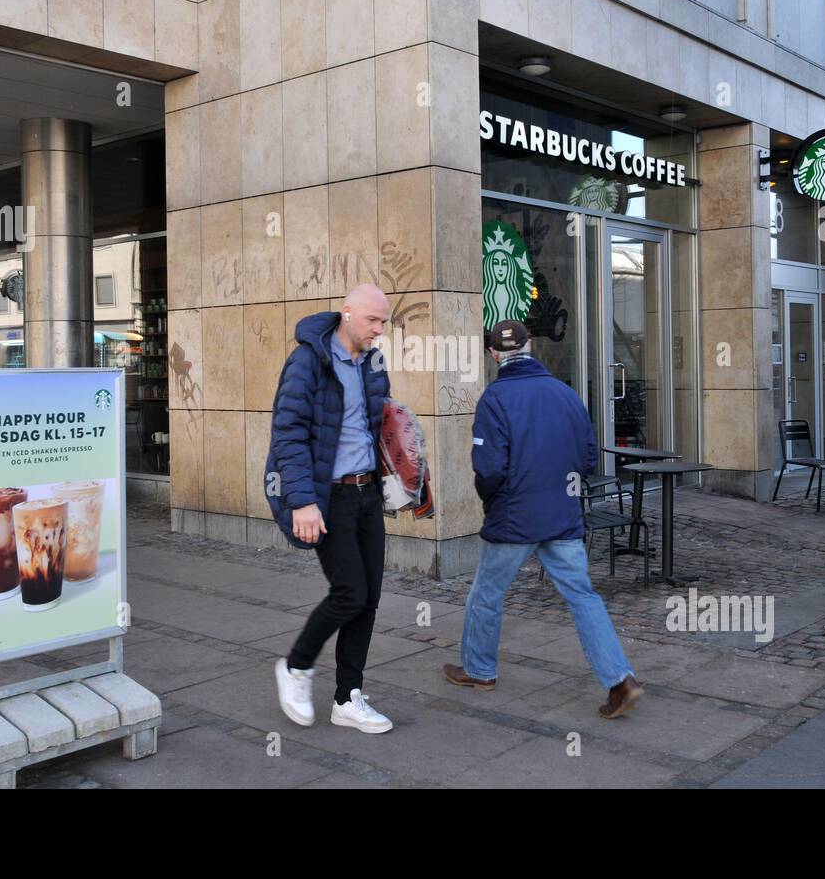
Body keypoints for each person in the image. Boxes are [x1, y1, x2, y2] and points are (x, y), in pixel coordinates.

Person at [443, 320, 643, 719]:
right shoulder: (566, 394)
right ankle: (621, 680)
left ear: (493, 353)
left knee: (487, 593)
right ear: (530, 345)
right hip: (562, 514)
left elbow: (489, 468)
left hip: (514, 518)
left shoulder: (495, 398)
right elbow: (588, 457)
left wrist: (491, 500)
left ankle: (480, 671)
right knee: (583, 598)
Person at [265, 284, 395, 734]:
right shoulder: (308, 360)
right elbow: (288, 431)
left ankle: (348, 698)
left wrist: (403, 478)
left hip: (368, 494)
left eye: (383, 322)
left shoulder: (373, 362)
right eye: (372, 320)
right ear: (346, 314)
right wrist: (301, 501)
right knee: (349, 593)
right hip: (329, 496)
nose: (378, 329)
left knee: (369, 599)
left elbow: (377, 426)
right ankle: (296, 667)